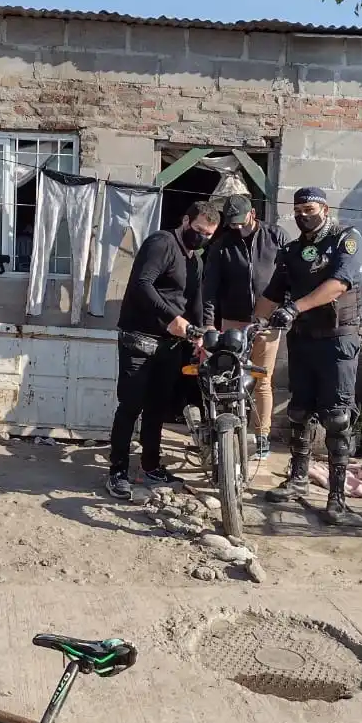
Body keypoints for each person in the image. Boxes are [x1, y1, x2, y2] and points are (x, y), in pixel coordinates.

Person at [257, 187, 362, 524]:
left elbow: (339, 284)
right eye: (298, 210)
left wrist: (294, 308)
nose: (302, 215)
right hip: (302, 340)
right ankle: (298, 479)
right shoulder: (292, 250)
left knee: (336, 418)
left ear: (324, 209)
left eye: (309, 209)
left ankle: (337, 500)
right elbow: (272, 295)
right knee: (299, 412)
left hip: (337, 341)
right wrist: (252, 327)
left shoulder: (345, 239)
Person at [106, 201, 220, 500]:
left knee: (158, 409)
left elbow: (194, 301)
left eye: (209, 234)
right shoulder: (161, 243)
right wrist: (172, 318)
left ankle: (150, 466)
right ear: (186, 220)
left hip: (171, 345)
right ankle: (117, 471)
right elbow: (142, 284)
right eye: (199, 230)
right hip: (139, 339)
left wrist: (201, 334)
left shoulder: (195, 261)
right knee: (130, 406)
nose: (202, 238)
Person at [201, 194, 289, 457]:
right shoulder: (221, 245)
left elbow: (291, 276)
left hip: (267, 321)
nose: (237, 227)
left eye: (240, 221)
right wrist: (209, 323)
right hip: (233, 319)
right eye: (232, 223)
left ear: (252, 214)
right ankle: (224, 432)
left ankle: (261, 436)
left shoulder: (276, 237)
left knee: (262, 378)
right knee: (227, 377)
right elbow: (210, 288)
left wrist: (284, 308)